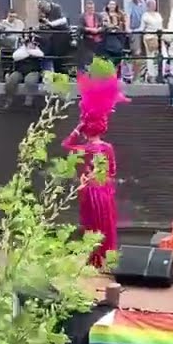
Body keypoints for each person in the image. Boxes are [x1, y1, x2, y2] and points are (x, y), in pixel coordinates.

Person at [62, 59, 128, 267]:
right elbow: (114, 171)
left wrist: (78, 127)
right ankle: (106, 257)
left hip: (90, 190)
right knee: (107, 225)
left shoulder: (83, 149)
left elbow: (66, 144)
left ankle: (94, 259)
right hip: (105, 189)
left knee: (91, 226)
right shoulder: (107, 148)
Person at [3, 37, 45, 109]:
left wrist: (29, 52)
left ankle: (28, 101)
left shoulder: (38, 51)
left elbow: (41, 54)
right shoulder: (20, 50)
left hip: (33, 71)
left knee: (30, 81)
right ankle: (9, 100)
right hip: (19, 71)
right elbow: (15, 56)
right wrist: (27, 52)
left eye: (33, 44)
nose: (31, 45)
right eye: (29, 43)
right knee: (11, 79)